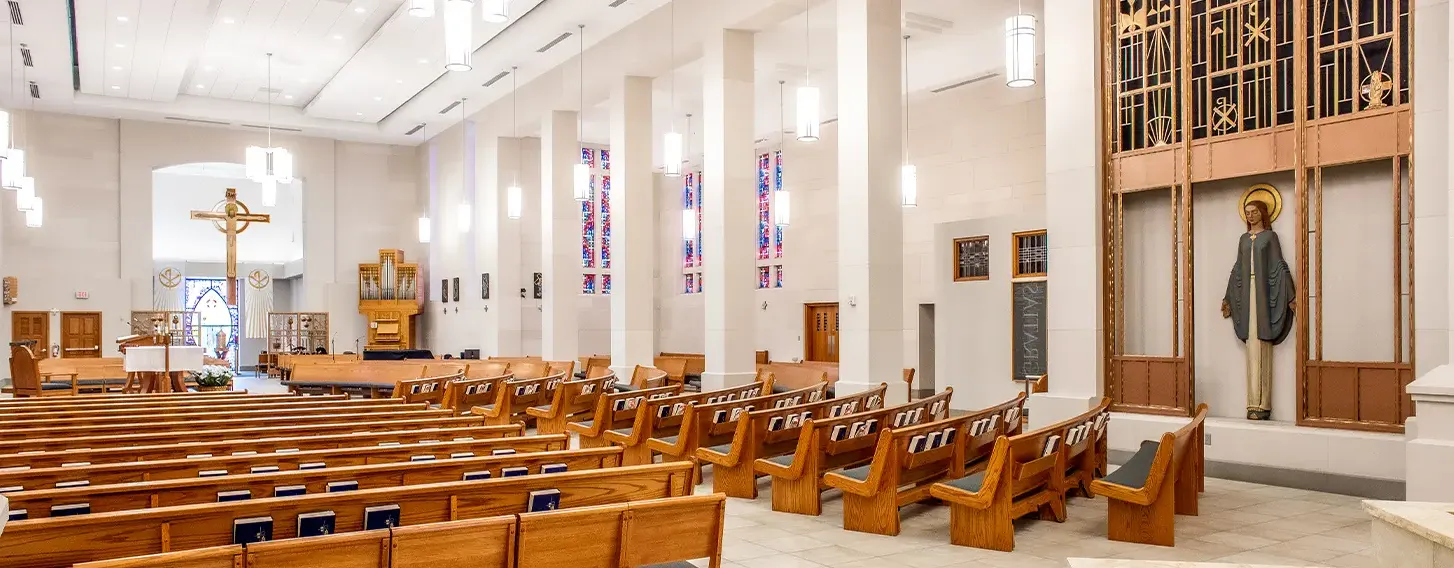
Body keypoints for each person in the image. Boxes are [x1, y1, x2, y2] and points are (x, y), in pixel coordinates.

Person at [1221, 198, 1295, 421]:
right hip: (1247, 294)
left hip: (1263, 295)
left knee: (1263, 343)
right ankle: (1251, 403)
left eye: (1254, 212)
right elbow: (1237, 269)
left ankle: (1264, 405)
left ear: (1263, 213)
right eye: (1247, 212)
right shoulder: (1243, 239)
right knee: (1251, 345)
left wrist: (1290, 295)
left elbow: (1279, 266)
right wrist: (1228, 298)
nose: (1250, 215)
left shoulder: (1270, 238)